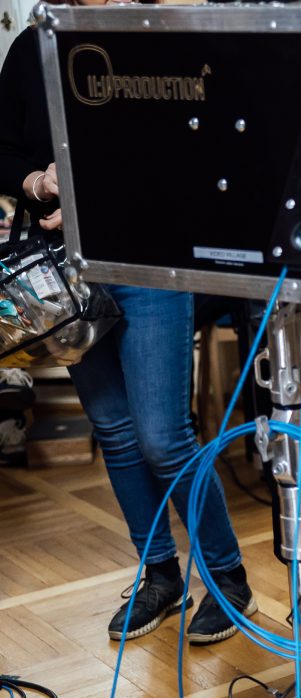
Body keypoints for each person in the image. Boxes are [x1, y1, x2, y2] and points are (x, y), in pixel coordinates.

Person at [0, 10, 259, 643]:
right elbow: (3, 150)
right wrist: (37, 183)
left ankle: (228, 578)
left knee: (163, 438)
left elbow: (199, 154)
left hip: (150, 263)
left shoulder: (157, 40)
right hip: (66, 273)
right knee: (114, 431)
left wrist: (99, 197)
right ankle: (161, 576)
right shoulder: (32, 45)